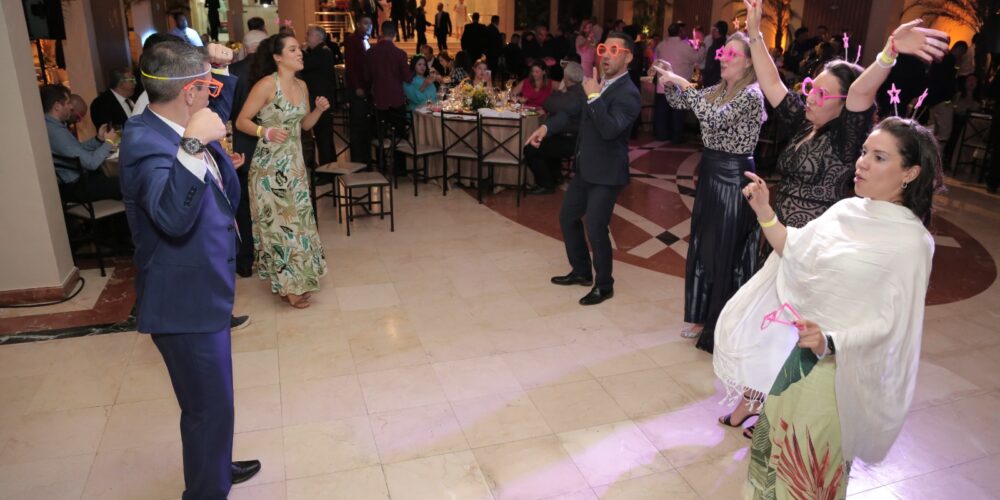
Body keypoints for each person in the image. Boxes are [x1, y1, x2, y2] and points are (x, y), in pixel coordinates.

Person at [714, 4, 950, 434]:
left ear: (843, 105)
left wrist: (888, 52)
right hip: (782, 240)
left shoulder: (847, 138)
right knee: (768, 327)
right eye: (811, 88)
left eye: (823, 94)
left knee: (791, 334)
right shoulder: (805, 124)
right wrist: (755, 34)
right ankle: (756, 401)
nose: (811, 98)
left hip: (815, 255)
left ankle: (772, 411)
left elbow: (860, 94)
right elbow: (771, 82)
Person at [717, 117, 941, 497]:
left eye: (879, 157)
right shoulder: (846, 211)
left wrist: (832, 340)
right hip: (800, 363)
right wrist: (764, 210)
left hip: (840, 375)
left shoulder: (912, 242)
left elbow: (894, 324)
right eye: (864, 152)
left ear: (910, 173)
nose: (862, 163)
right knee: (771, 455)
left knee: (806, 469)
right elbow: (793, 249)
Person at [118, 40, 261, 500]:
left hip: (204, 291)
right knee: (206, 408)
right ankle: (205, 491)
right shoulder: (144, 141)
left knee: (216, 402)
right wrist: (195, 146)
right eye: (208, 86)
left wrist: (221, 69)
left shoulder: (170, 120)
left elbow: (215, 113)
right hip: (184, 303)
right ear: (189, 92)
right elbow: (171, 217)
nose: (214, 92)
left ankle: (215, 467)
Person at [652, 32, 765, 353]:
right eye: (722, 54)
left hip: (734, 178)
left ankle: (723, 323)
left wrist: (685, 84)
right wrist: (669, 80)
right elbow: (679, 103)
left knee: (727, 250)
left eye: (732, 55)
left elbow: (714, 120)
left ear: (749, 63)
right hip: (711, 173)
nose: (723, 59)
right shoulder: (719, 89)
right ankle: (701, 316)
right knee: (705, 246)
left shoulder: (751, 95)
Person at [526, 32, 642, 306]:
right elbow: (570, 113)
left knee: (597, 227)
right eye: (604, 49)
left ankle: (604, 285)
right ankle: (581, 271)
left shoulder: (629, 93)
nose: (606, 55)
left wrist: (593, 96)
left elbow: (610, 129)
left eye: (614, 50)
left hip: (607, 173)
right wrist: (546, 128)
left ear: (628, 57)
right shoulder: (596, 84)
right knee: (568, 217)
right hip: (586, 167)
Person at [237, 34, 329, 308]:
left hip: (295, 168)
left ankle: (295, 281)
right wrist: (264, 131)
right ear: (278, 57)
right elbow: (241, 120)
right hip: (269, 170)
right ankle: (290, 288)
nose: (300, 53)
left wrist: (318, 111)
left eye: (299, 48)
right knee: (281, 229)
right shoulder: (267, 85)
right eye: (293, 49)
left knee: (298, 226)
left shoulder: (302, 85)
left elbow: (305, 125)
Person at [229, 29, 269, 277]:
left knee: (243, 203)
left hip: (242, 145)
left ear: (245, 47)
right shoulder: (272, 72)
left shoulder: (233, 72)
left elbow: (228, 111)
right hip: (270, 143)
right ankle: (271, 258)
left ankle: (245, 260)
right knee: (269, 202)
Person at [42, 84, 121, 202]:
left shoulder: (51, 126)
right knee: (128, 183)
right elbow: (92, 163)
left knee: (118, 177)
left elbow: (77, 149)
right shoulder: (57, 133)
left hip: (76, 183)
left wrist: (98, 139)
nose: (71, 107)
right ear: (57, 106)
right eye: (68, 103)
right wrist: (109, 141)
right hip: (76, 187)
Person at [525, 61, 585, 194]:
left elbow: (548, 103)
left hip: (571, 141)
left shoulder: (572, 95)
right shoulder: (581, 91)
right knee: (548, 139)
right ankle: (556, 176)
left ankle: (546, 184)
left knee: (530, 149)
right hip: (573, 138)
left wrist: (560, 92)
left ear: (566, 78)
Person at [651, 23, 705, 142]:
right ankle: (676, 137)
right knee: (678, 113)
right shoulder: (685, 46)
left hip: (663, 84)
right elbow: (697, 58)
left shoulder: (661, 45)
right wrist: (701, 47)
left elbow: (655, 60)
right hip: (679, 84)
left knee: (662, 113)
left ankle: (661, 135)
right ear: (680, 32)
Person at [301, 25, 338, 166]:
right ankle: (330, 167)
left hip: (322, 102)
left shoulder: (323, 51)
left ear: (317, 37)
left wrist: (302, 51)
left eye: (308, 34)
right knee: (324, 137)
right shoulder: (318, 51)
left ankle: (327, 170)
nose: (306, 37)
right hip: (321, 101)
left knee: (324, 138)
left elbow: (306, 64)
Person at [344, 14, 373, 163]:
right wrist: (357, 86)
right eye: (366, 23)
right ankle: (357, 160)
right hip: (358, 88)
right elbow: (351, 67)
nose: (369, 26)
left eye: (370, 24)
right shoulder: (352, 39)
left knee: (365, 125)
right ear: (358, 24)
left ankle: (366, 158)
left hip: (366, 87)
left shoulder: (365, 40)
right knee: (357, 124)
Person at [701, 22, 728, 87]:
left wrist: (704, 75)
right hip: (720, 79)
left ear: (717, 30)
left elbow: (710, 66)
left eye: (713, 29)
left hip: (712, 80)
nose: (712, 31)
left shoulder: (715, 46)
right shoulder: (726, 43)